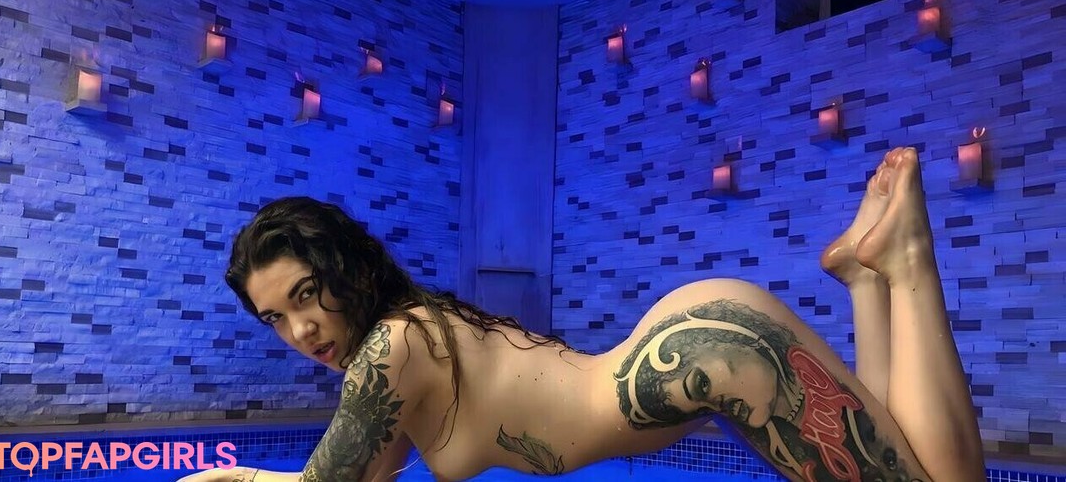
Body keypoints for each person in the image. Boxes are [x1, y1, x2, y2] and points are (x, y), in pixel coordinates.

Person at [180, 147, 984, 482]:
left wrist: (223, 475)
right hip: (696, 351)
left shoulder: (392, 346)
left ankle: (908, 260)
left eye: (305, 294)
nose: (300, 330)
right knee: (907, 459)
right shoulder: (409, 338)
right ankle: (868, 278)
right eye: (274, 317)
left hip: (705, 355)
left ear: (346, 269)